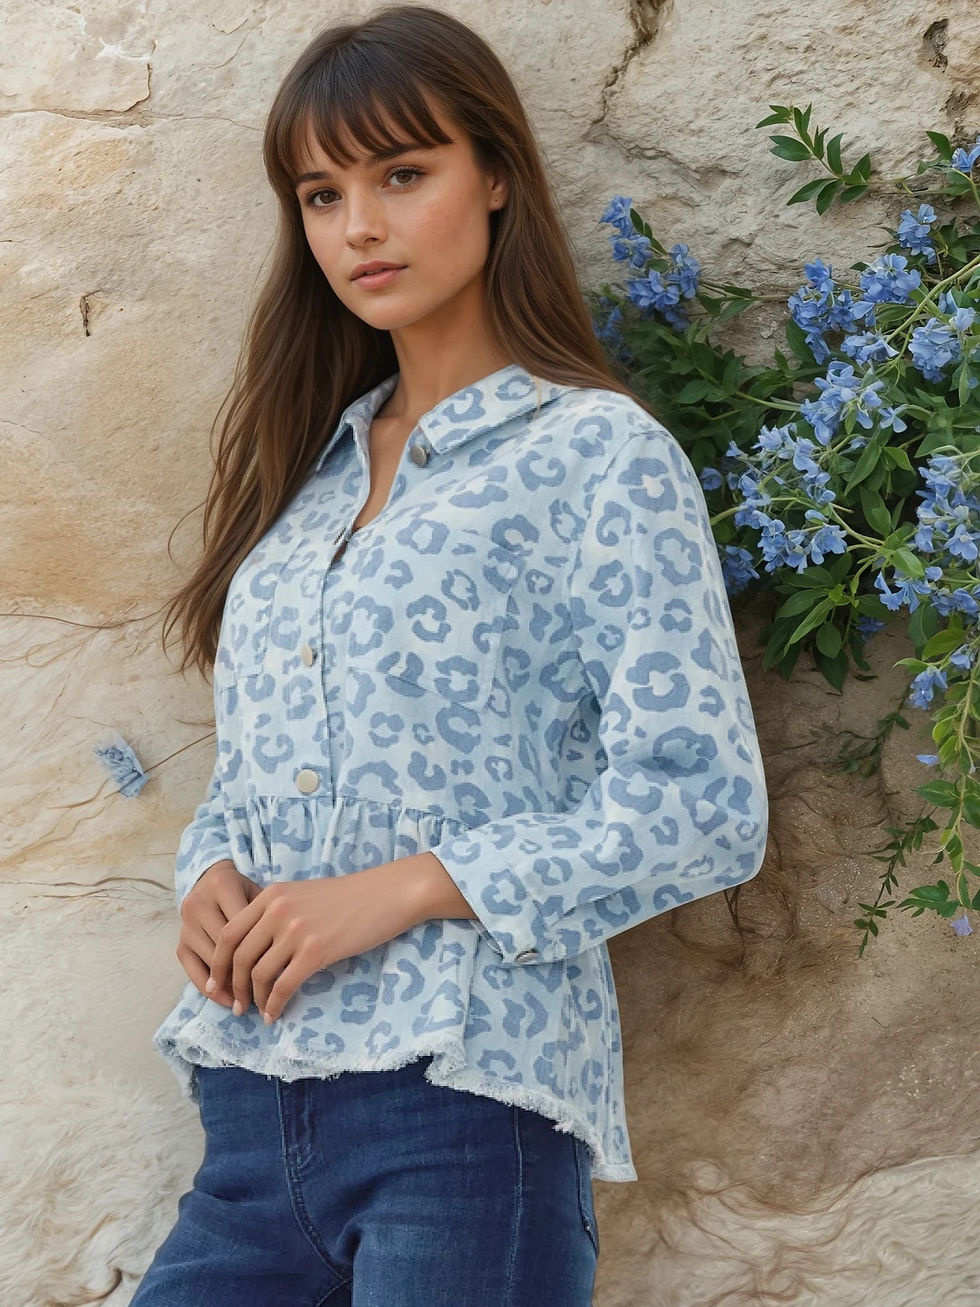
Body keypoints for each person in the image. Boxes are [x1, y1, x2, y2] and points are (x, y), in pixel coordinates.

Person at [136, 5, 769, 1304]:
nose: (358, 227)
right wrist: (210, 870)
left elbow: (704, 808)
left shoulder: (596, 458)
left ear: (495, 177)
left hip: (466, 1110)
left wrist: (408, 885)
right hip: (251, 1116)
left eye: (401, 175)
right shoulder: (303, 484)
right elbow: (266, 769)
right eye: (322, 193)